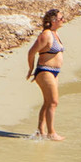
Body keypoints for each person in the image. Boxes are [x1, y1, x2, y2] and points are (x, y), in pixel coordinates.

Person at [26, 8, 67, 137]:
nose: (63, 20)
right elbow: (31, 52)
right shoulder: (46, 34)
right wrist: (31, 69)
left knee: (48, 101)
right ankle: (51, 133)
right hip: (45, 71)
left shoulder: (55, 33)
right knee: (54, 102)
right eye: (61, 18)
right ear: (53, 20)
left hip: (54, 72)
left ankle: (40, 131)